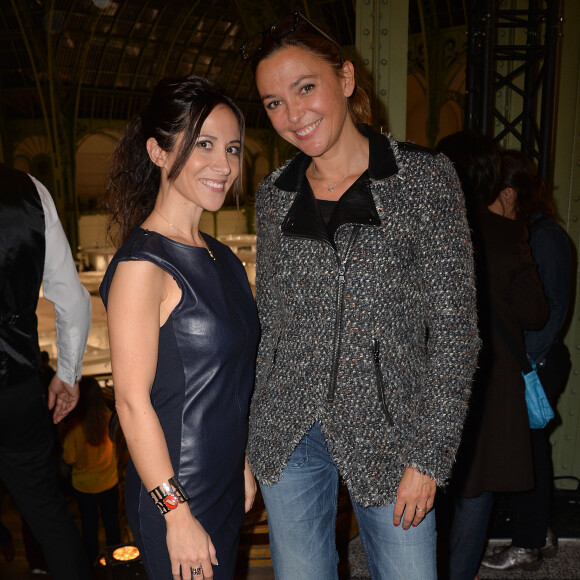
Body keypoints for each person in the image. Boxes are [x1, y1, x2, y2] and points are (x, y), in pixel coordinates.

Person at [239, 13, 480, 579]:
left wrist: (430, 455)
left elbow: (455, 331)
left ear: (345, 79)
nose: (294, 115)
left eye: (305, 88)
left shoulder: (424, 179)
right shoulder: (275, 195)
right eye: (274, 103)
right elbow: (271, 326)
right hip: (289, 429)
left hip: (395, 432)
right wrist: (251, 441)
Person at [99, 76, 259, 579]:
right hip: (178, 492)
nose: (224, 165)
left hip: (225, 483)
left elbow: (230, 381)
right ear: (159, 152)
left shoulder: (226, 259)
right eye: (204, 144)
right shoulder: (142, 266)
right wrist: (177, 513)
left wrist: (244, 463)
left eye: (232, 149)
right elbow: (130, 401)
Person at [435, 133, 549, 579]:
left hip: (429, 381)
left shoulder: (419, 228)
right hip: (487, 386)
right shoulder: (504, 232)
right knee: (474, 494)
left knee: (422, 490)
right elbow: (535, 313)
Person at [480, 150, 572, 572]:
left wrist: (526, 364)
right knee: (526, 452)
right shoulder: (520, 232)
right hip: (525, 362)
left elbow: (551, 312)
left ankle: (530, 543)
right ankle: (538, 534)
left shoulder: (544, 236)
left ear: (510, 194)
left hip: (537, 362)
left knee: (530, 453)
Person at [0, 162, 92, 578]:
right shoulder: (28, 190)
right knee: (50, 516)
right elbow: (72, 301)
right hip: (16, 386)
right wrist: (67, 374)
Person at [62, 375, 121, 564]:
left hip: (84, 488)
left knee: (89, 527)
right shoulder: (110, 418)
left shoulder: (74, 429)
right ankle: (117, 564)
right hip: (109, 483)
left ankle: (94, 566)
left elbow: (68, 460)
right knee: (112, 525)